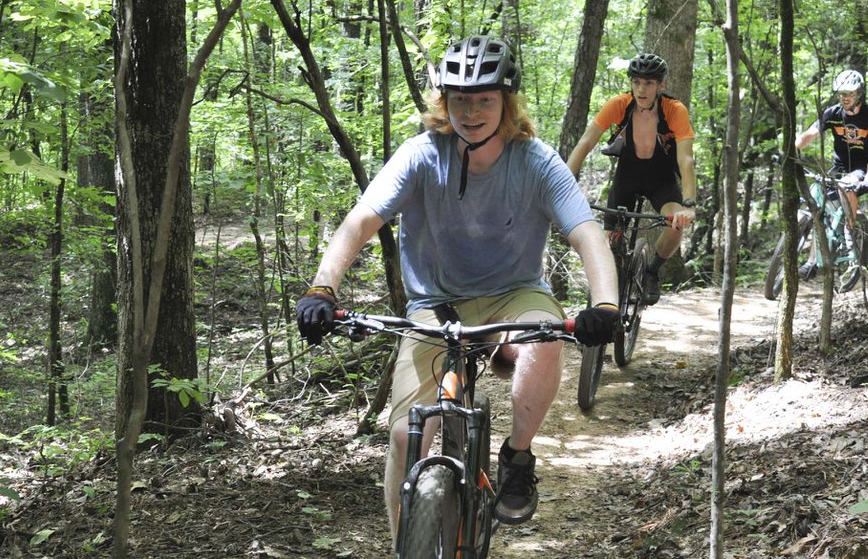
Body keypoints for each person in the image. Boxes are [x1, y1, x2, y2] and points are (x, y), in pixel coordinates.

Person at [295, 35, 619, 538]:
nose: (470, 111)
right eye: (459, 99)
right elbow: (362, 221)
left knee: (547, 337)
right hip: (435, 304)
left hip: (515, 290)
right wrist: (322, 289)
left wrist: (605, 304)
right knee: (405, 436)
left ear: (506, 103)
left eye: (484, 99)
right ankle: (412, 545)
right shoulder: (421, 155)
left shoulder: (536, 160)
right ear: (443, 103)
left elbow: (586, 232)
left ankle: (517, 456)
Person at [566, 53, 697, 305]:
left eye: (648, 83)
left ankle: (651, 271)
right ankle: (603, 294)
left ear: (661, 85)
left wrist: (688, 204)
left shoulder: (674, 110)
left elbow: (686, 159)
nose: (641, 89)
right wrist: (563, 183)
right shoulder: (618, 104)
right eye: (636, 82)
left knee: (675, 225)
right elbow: (585, 142)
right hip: (626, 176)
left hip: (662, 180)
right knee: (606, 240)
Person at [795, 69, 868, 279]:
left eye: (850, 94)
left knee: (847, 186)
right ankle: (811, 262)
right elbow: (809, 135)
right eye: (842, 94)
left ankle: (849, 230)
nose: (845, 98)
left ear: (859, 94)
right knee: (818, 205)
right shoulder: (833, 113)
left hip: (860, 169)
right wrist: (791, 150)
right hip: (838, 167)